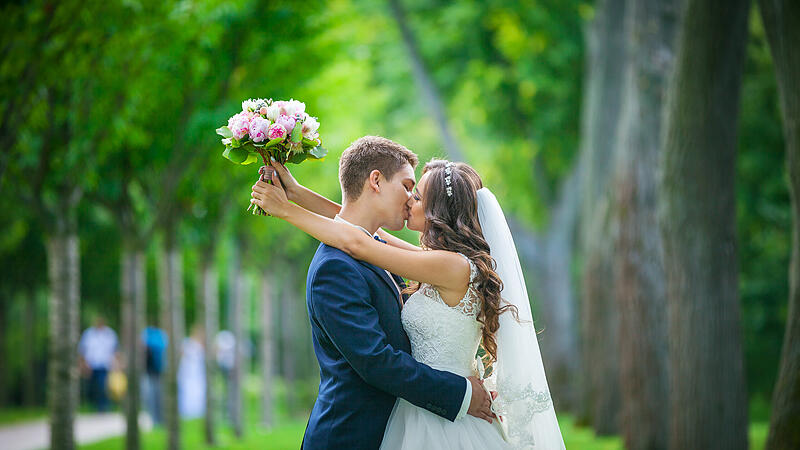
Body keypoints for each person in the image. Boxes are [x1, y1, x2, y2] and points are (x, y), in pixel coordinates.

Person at [251, 137, 565, 449]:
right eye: (408, 189)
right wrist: (296, 193)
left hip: (443, 414)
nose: (408, 200)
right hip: (413, 413)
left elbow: (361, 242)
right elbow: (364, 234)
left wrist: (286, 211)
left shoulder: (450, 266)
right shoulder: (427, 261)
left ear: (437, 209)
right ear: (376, 181)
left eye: (415, 194)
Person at [78, 315, 119, 412]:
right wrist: (83, 364)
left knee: (103, 385)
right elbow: (82, 350)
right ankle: (95, 405)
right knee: (93, 386)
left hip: (105, 364)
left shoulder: (110, 334)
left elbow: (115, 350)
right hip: (91, 365)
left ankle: (103, 406)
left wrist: (117, 364)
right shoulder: (88, 334)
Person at [178, 325, 206, 418]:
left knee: (197, 390)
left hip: (196, 371)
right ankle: (188, 410)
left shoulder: (200, 345)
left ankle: (196, 410)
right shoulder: (187, 343)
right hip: (188, 370)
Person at [142, 325, 167, 425]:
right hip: (159, 372)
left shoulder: (147, 338)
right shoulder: (161, 338)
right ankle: (159, 419)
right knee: (159, 396)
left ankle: (155, 419)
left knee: (151, 397)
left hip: (150, 373)